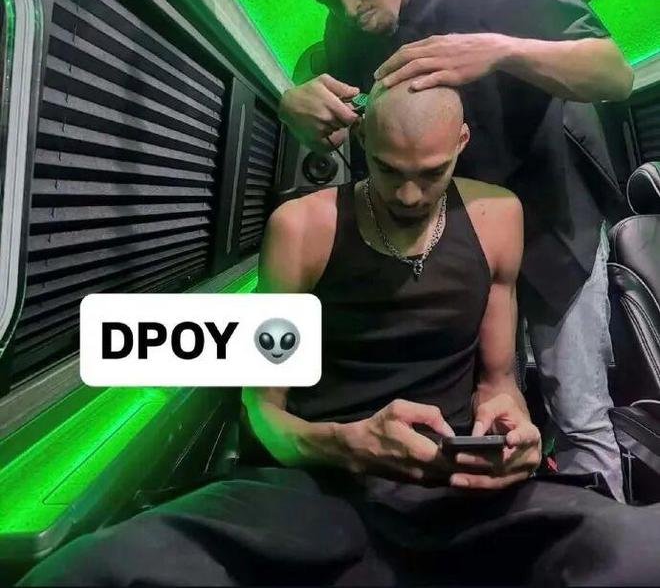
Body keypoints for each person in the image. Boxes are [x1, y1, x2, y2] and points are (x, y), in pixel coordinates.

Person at [19, 82, 660, 588]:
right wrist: (346, 444)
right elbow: (263, 413)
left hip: (455, 490)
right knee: (87, 571)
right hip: (314, 486)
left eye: (431, 172)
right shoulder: (302, 228)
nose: (408, 193)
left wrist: (510, 426)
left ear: (462, 142)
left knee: (637, 547)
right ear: (360, 142)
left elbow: (497, 383)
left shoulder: (498, 215)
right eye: (387, 168)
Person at [280, 0, 634, 501]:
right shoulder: (349, 34)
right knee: (486, 415)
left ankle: (601, 527)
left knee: (578, 410)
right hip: (462, 242)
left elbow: (615, 75)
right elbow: (336, 101)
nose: (347, 8)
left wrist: (499, 50)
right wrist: (296, 99)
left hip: (554, 216)